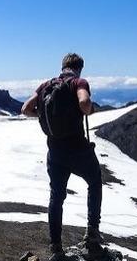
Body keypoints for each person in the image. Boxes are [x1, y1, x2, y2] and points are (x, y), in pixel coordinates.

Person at [22, 53, 104, 261]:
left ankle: (56, 248)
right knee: (94, 181)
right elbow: (84, 103)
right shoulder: (78, 82)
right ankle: (92, 235)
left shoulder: (46, 86)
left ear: (62, 67)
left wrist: (40, 114)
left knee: (56, 197)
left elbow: (25, 109)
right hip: (77, 148)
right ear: (79, 68)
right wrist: (90, 109)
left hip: (55, 152)